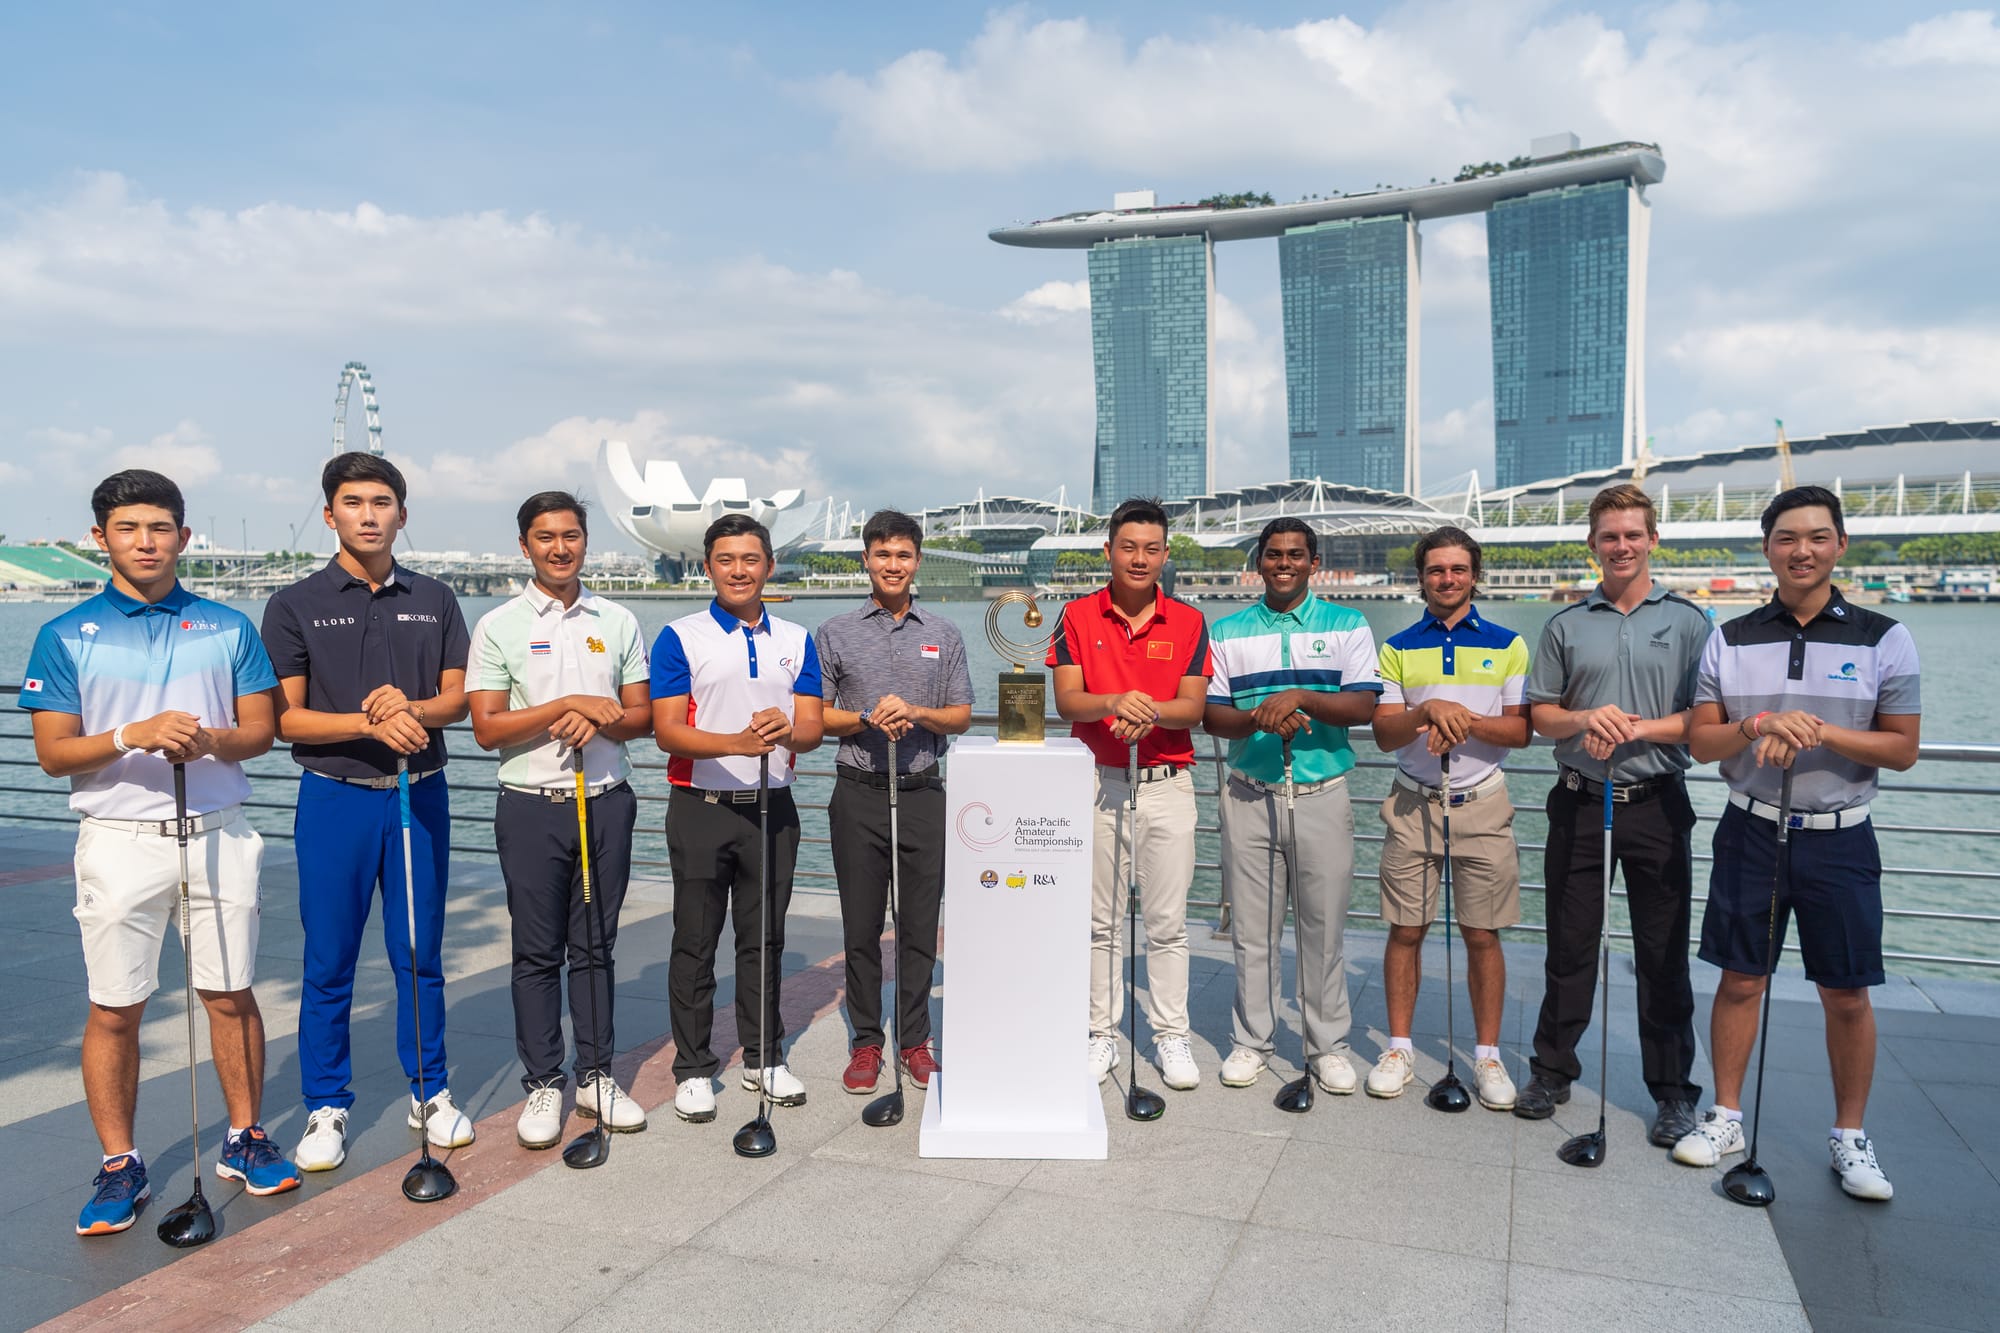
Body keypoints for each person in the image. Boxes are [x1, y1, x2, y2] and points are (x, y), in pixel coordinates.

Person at [24, 470, 300, 1234]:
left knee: (232, 991)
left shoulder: (227, 626)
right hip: (118, 841)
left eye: (160, 526)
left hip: (218, 833)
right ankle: (121, 1164)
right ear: (100, 538)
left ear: (183, 534)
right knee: (116, 1006)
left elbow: (260, 732)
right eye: (128, 527)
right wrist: (132, 735)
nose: (145, 540)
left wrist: (205, 737)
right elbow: (54, 754)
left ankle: (244, 1137)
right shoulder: (66, 632)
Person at [1671, 486, 1919, 1200]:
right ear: (1768, 548)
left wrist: (1817, 728)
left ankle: (1850, 1135)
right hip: (1750, 827)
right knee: (1740, 977)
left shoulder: (1884, 636)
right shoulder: (1733, 636)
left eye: (1816, 537)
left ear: (1840, 544)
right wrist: (1757, 726)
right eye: (1786, 538)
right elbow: (1701, 738)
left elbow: (1902, 749)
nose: (1801, 550)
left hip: (1841, 838)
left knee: (1845, 993)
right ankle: (1724, 1115)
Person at [263, 453, 473, 1171]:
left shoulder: (436, 598)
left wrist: (407, 708)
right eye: (353, 502)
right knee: (329, 959)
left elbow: (457, 700)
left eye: (383, 501)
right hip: (335, 800)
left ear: (402, 515)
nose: (369, 514)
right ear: (330, 515)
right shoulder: (293, 603)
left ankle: (430, 1090)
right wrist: (367, 720)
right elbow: (287, 720)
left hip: (420, 794)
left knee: (418, 951)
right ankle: (327, 1105)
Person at [1520, 483, 1709, 1148]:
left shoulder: (1688, 623)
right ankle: (1551, 1070)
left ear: (1653, 538)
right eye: (1609, 536)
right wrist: (1585, 718)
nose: (1622, 545)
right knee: (1569, 947)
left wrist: (1637, 729)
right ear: (1593, 544)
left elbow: (1707, 721)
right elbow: (1542, 714)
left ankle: (1673, 1093)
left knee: (1662, 955)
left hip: (1656, 805)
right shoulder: (1566, 624)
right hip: (1579, 799)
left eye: (1633, 534)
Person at [467, 492, 653, 1149]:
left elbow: (642, 715)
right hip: (531, 806)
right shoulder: (499, 624)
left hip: (605, 799)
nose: (559, 547)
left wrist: (598, 710)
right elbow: (487, 726)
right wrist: (563, 705)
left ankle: (597, 1072)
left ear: (584, 541)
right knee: (538, 951)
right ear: (525, 545)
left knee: (596, 946)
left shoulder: (618, 619)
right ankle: (545, 1081)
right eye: (545, 537)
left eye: (571, 535)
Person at [653, 514, 824, 1124]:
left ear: (769, 565)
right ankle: (694, 1068)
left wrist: (790, 735)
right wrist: (734, 742)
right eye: (725, 559)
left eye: (750, 559)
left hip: (773, 809)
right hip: (700, 808)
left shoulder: (799, 639)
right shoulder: (681, 635)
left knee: (765, 940)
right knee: (695, 943)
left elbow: (810, 728)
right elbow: (666, 731)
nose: (739, 570)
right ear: (708, 567)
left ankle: (763, 1056)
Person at [1204, 518, 1381, 1094]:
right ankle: (1251, 1041)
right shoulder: (1227, 631)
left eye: (1296, 555)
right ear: (1259, 562)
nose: (1284, 564)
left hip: (1322, 792)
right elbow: (1212, 714)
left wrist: (1302, 697)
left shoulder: (1348, 623)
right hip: (1249, 793)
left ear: (1314, 562)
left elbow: (1362, 708)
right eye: (1274, 555)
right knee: (1252, 930)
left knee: (1323, 928)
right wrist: (1262, 715)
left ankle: (1326, 1044)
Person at [1050, 497, 1213, 1091]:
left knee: (1168, 922)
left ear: (1166, 555)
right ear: (1108, 551)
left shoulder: (1190, 621)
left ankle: (1171, 1032)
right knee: (1099, 921)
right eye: (1128, 547)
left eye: (1151, 549)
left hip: (1168, 783)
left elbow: (1191, 709)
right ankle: (1100, 1033)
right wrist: (1117, 701)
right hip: (1096, 783)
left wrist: (1150, 710)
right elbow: (1068, 701)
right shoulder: (1077, 615)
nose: (1139, 559)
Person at [1367, 527, 1531, 1108]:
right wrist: (1424, 709)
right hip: (1413, 800)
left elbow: (1520, 729)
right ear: (1422, 577)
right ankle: (1400, 1047)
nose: (1447, 579)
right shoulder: (1397, 646)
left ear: (1473, 575)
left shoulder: (1509, 643)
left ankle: (1487, 1057)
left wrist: (1457, 717)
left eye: (1458, 569)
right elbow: (1384, 733)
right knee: (1406, 930)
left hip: (1482, 801)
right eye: (1436, 570)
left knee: (1482, 934)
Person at [817, 510, 974, 1095]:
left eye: (903, 555)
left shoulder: (945, 633)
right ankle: (865, 1041)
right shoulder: (834, 632)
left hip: (922, 792)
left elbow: (958, 713)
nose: (892, 565)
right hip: (857, 791)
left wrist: (917, 713)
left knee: (917, 925)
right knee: (860, 926)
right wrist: (865, 717)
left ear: (917, 561)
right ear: (866, 560)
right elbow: (817, 717)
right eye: (882, 555)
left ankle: (914, 1039)